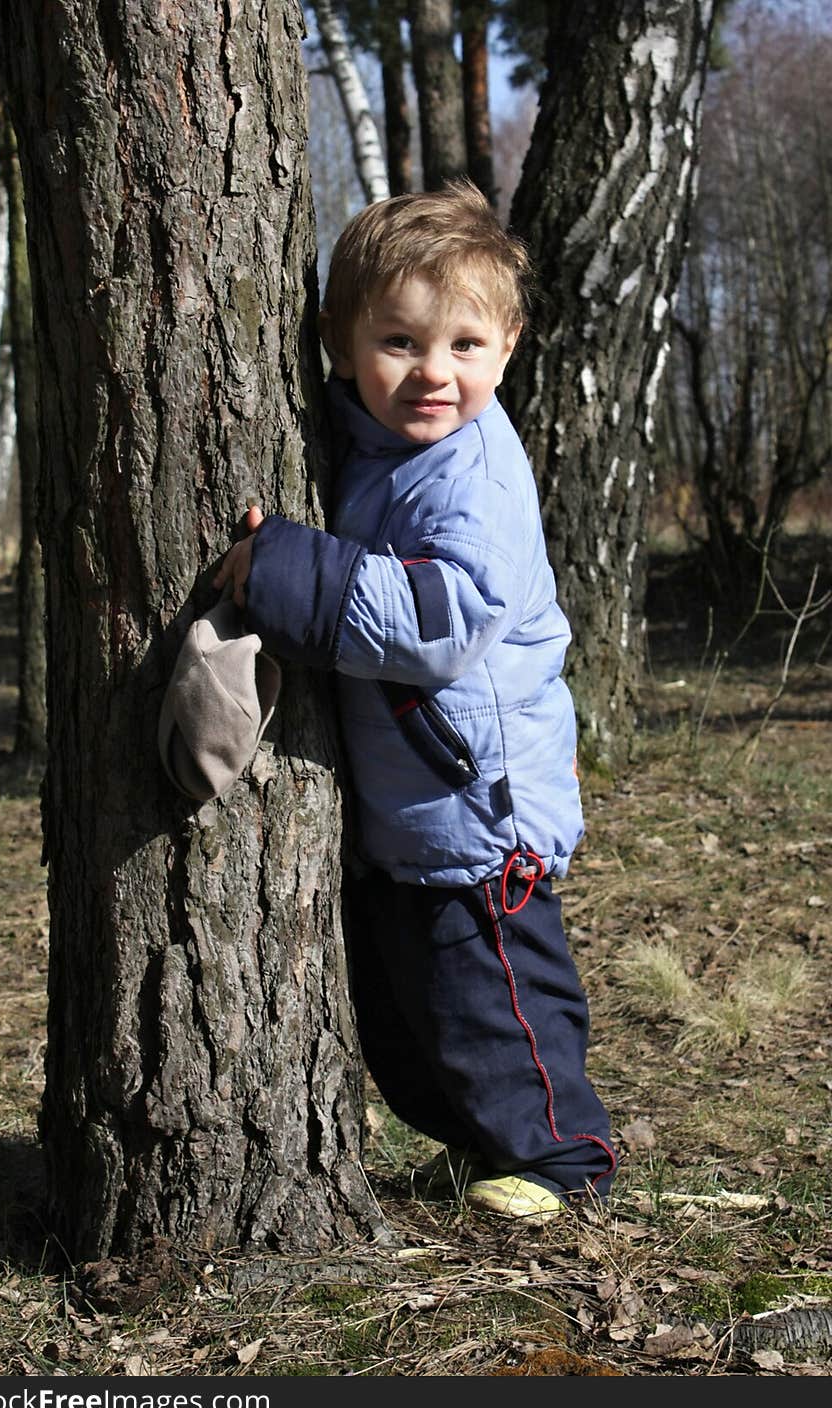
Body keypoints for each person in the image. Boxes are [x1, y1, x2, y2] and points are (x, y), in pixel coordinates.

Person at [213, 180, 617, 1220]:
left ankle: (563, 1163)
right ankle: (486, 1146)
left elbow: (448, 617)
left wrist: (288, 572)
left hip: (479, 809)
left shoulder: (467, 472)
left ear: (509, 345)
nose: (433, 373)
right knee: (407, 1016)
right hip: (410, 806)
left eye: (464, 347)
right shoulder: (378, 448)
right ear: (340, 343)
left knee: (494, 999)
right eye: (399, 341)